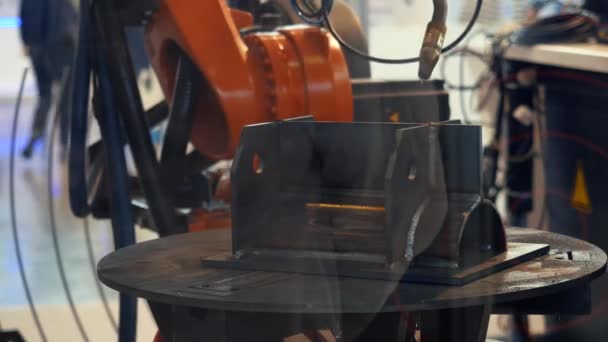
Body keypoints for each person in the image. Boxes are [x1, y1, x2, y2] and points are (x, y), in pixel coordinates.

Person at [19, 0, 77, 159]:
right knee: (62, 98)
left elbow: (26, 14)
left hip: (44, 47)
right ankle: (63, 144)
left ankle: (39, 138)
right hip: (60, 47)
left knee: (47, 96)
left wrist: (27, 42)